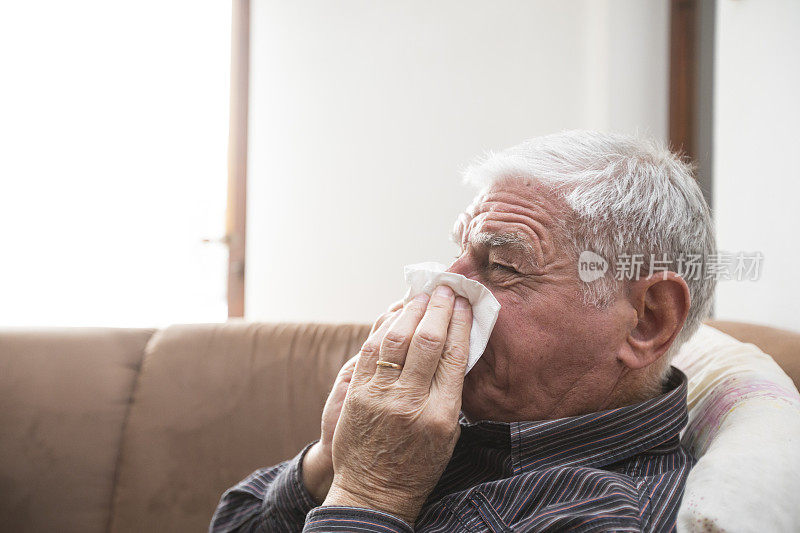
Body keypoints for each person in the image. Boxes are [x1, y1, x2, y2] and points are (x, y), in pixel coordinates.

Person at [210, 131, 716, 532]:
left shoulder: (606, 512)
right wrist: (328, 464)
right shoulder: (451, 422)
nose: (443, 292)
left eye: (502, 265)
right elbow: (232, 523)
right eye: (459, 255)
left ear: (647, 320)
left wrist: (372, 491)